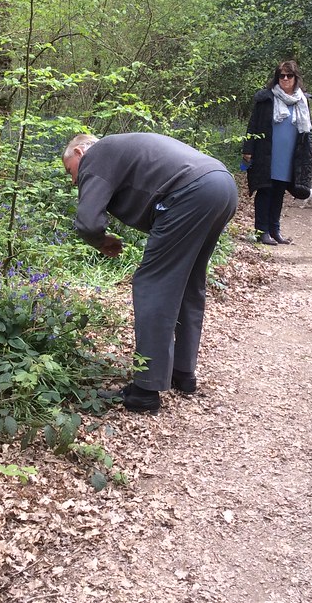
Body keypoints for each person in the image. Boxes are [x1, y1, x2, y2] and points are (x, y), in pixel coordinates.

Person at [62, 132, 238, 415]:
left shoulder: (96, 155)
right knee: (189, 282)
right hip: (222, 185)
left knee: (153, 284)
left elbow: (88, 222)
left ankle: (145, 389)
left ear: (80, 153)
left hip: (191, 192)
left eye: (69, 171)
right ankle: (182, 372)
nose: (73, 181)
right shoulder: (120, 149)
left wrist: (101, 241)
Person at [241, 60, 312, 245]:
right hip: (267, 153)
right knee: (265, 190)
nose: (285, 79)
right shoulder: (266, 98)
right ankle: (261, 231)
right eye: (282, 75)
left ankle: (275, 230)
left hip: (289, 156)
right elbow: (253, 125)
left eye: (289, 75)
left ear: (296, 78)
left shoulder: (302, 100)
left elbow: (307, 132)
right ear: (277, 78)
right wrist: (248, 149)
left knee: (279, 192)